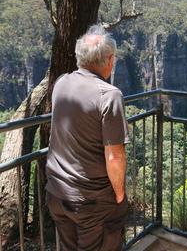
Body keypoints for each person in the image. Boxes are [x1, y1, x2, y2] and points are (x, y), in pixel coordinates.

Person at [45, 24, 129, 251]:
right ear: (109, 60)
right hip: (91, 201)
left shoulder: (61, 83)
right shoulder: (109, 96)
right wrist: (120, 196)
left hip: (57, 193)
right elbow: (114, 156)